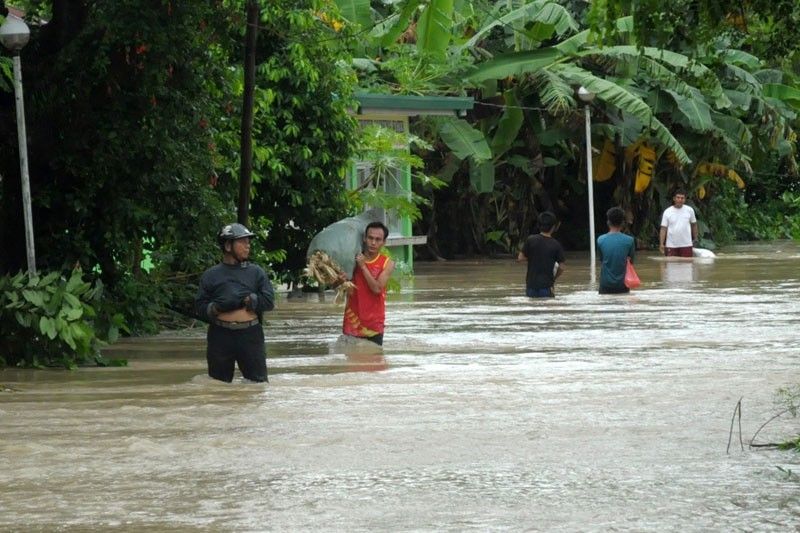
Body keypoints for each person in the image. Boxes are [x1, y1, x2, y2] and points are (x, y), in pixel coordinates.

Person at [195, 223, 274, 383]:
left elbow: (269, 302)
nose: (247, 245)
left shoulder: (256, 272)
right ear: (228, 245)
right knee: (218, 385)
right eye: (242, 241)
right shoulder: (210, 275)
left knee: (257, 385)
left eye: (248, 242)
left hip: (250, 335)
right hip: (220, 336)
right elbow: (200, 306)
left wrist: (250, 300)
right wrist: (216, 307)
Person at [337, 221, 395, 346]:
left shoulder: (387, 263)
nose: (373, 243)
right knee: (351, 364)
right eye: (370, 238)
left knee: (374, 363)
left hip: (374, 326)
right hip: (352, 322)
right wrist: (339, 280)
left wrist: (363, 266)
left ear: (383, 242)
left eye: (378, 239)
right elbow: (340, 287)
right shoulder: (351, 260)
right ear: (364, 238)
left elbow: (377, 289)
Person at [517, 211, 565, 298]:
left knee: (532, 308)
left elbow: (520, 258)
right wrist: (553, 278)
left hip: (531, 286)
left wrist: (533, 258)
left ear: (539, 225)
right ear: (553, 227)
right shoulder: (556, 245)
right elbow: (561, 267)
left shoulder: (530, 240)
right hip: (547, 287)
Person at [597, 206, 636, 294]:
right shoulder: (630, 240)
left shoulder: (600, 240)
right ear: (622, 223)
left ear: (608, 222)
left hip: (605, 285)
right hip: (623, 285)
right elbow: (631, 262)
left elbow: (602, 260)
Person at [659, 189, 697, 257]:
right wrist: (661, 244)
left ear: (685, 200)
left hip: (686, 244)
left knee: (687, 266)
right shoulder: (667, 212)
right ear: (674, 199)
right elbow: (663, 229)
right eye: (678, 197)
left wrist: (695, 239)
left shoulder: (690, 210)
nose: (680, 200)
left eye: (682, 198)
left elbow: (694, 225)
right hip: (671, 245)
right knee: (670, 266)